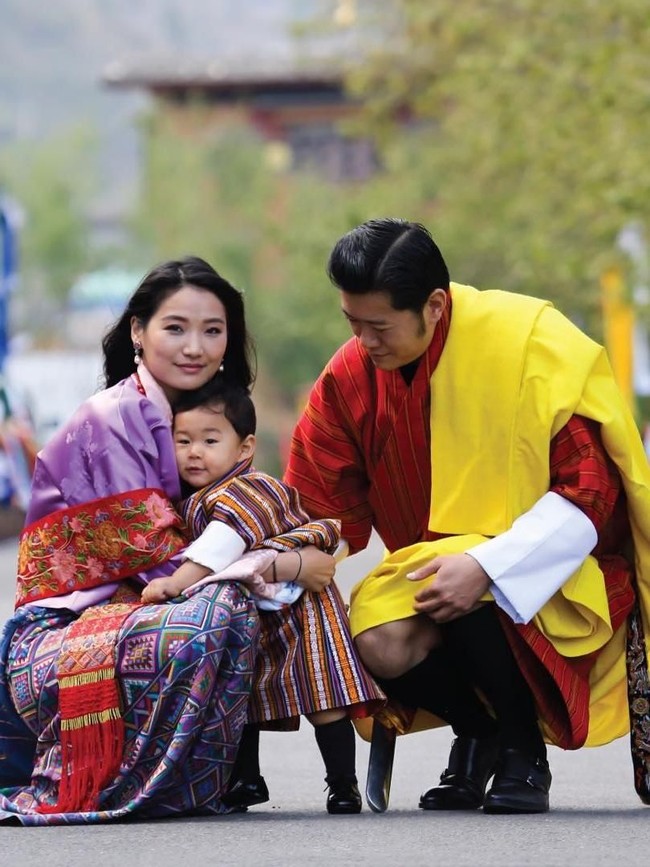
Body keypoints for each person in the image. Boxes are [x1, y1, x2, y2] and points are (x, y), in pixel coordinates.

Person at [285, 218, 650, 814]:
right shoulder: (350, 375)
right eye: (352, 323)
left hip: (555, 574)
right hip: (429, 580)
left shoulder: (525, 343)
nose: (363, 342)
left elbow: (589, 491)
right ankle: (484, 731)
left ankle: (522, 749)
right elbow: (317, 506)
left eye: (378, 326)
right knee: (373, 641)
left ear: (433, 306)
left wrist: (486, 562)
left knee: (467, 580)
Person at [0, 255, 336, 824]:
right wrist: (286, 564)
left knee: (265, 599)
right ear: (138, 330)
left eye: (213, 330)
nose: (195, 347)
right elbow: (168, 571)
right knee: (219, 605)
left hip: (140, 613)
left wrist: (291, 555)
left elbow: (248, 517)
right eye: (175, 328)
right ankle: (175, 776)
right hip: (66, 632)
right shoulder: (114, 419)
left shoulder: (200, 416)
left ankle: (242, 772)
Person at [141, 381, 341, 612]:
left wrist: (175, 583)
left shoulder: (251, 488)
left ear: (244, 448)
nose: (194, 452)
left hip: (297, 612)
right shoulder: (199, 494)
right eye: (184, 441)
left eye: (210, 441)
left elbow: (222, 540)